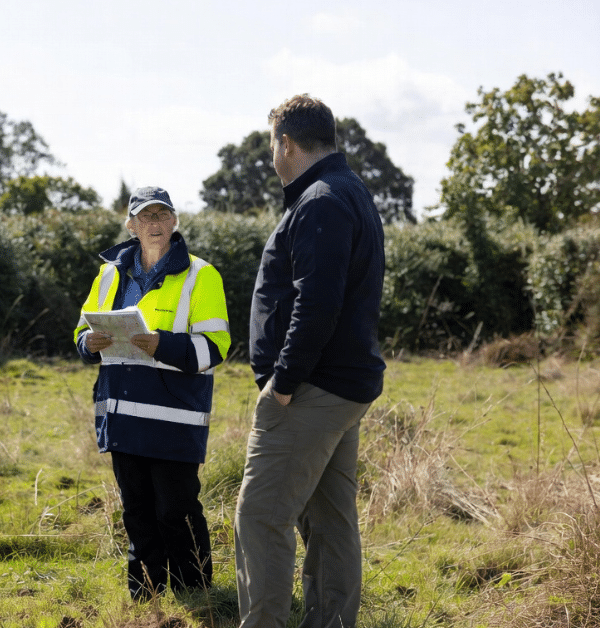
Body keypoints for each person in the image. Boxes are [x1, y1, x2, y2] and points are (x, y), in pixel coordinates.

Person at [234, 95, 386, 628]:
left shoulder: (320, 200)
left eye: (271, 145)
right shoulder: (349, 192)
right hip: (342, 387)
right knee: (329, 518)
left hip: (310, 391)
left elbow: (316, 304)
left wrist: (282, 383)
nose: (271, 155)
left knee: (262, 516)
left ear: (287, 143)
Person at [73, 186, 231, 602]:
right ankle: (145, 597)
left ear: (175, 221)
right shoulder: (108, 274)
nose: (155, 224)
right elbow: (81, 330)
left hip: (173, 419)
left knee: (175, 511)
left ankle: (196, 596)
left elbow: (214, 349)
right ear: (131, 226)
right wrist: (88, 343)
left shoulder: (202, 275)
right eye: (146, 217)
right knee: (137, 512)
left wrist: (161, 344)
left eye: (163, 215)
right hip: (122, 416)